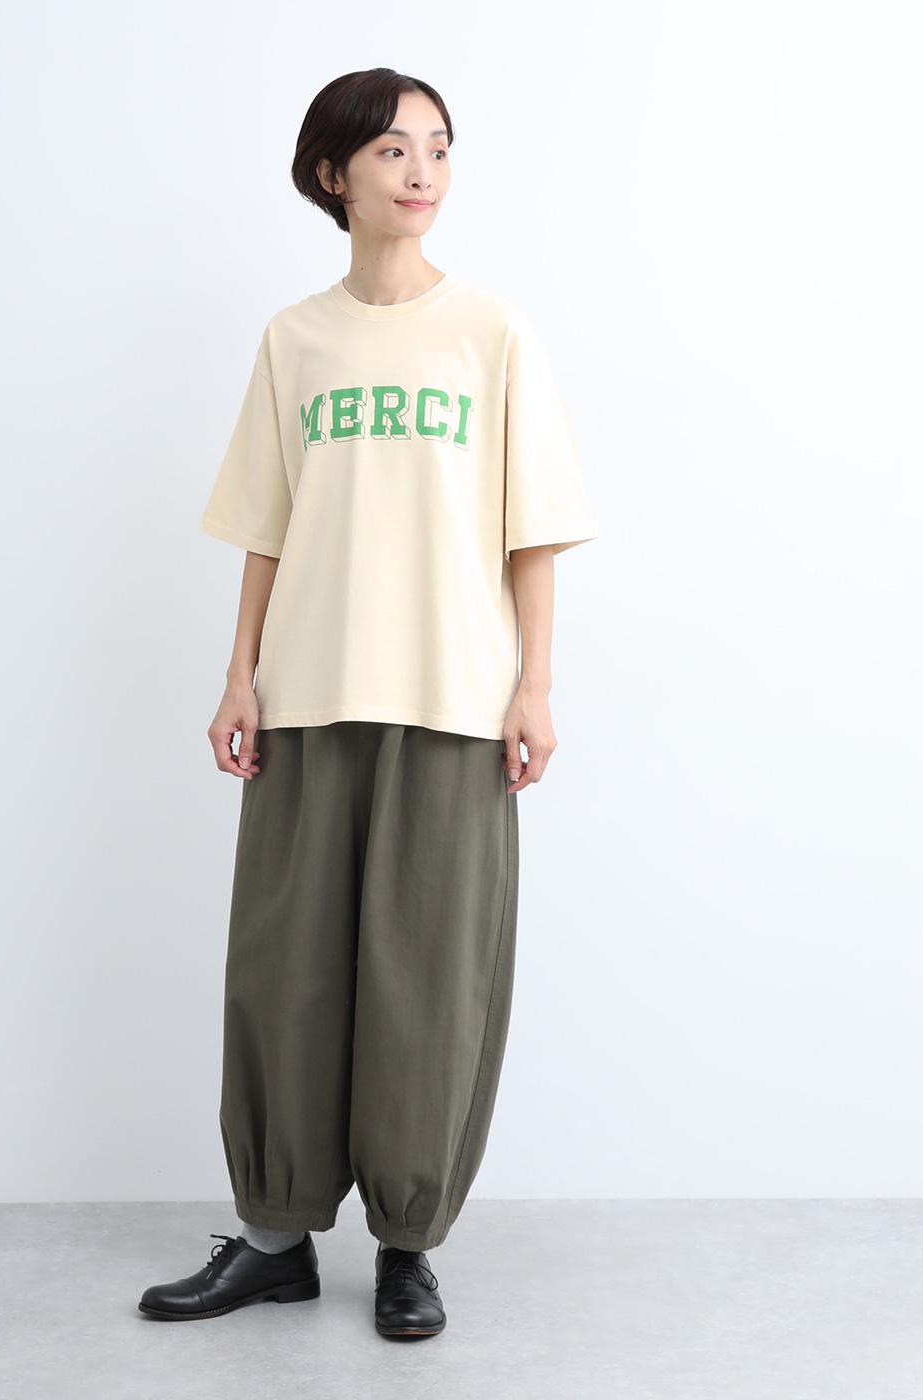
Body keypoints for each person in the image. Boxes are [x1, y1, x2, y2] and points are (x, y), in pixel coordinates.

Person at [138, 66, 598, 1340]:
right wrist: (239, 672)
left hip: (454, 700)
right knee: (284, 970)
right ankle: (274, 1237)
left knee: (428, 979)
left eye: (440, 147)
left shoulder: (492, 333)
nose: (422, 170)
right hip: (307, 693)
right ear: (332, 172)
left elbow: (532, 530)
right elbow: (267, 525)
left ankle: (407, 1244)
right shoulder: (296, 339)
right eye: (394, 148)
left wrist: (535, 685)